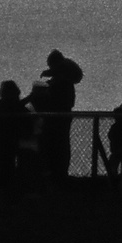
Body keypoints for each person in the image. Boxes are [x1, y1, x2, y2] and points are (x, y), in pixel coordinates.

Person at [38, 49, 83, 183]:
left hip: (56, 119)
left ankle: (55, 174)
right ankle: (59, 174)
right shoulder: (65, 80)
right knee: (61, 146)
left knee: (56, 146)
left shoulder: (61, 81)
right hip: (62, 118)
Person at [0, 80, 30, 189]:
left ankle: (2, 192)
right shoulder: (20, 108)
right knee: (19, 169)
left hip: (0, 142)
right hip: (16, 142)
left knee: (1, 170)